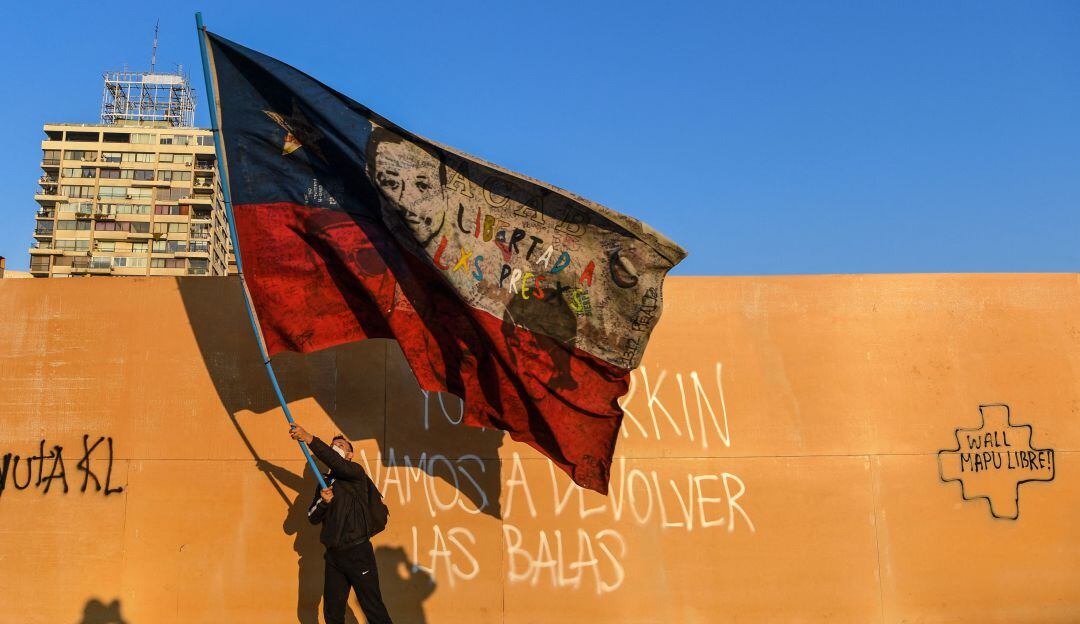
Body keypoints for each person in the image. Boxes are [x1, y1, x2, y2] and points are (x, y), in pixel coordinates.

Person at [288, 424, 393, 624]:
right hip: (334, 555)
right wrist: (324, 502)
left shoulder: (355, 473)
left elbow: (337, 463)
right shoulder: (325, 483)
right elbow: (312, 517)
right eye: (333, 445)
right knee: (333, 613)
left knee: (373, 608)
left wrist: (309, 438)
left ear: (350, 455)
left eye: (342, 445)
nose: (337, 447)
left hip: (358, 551)